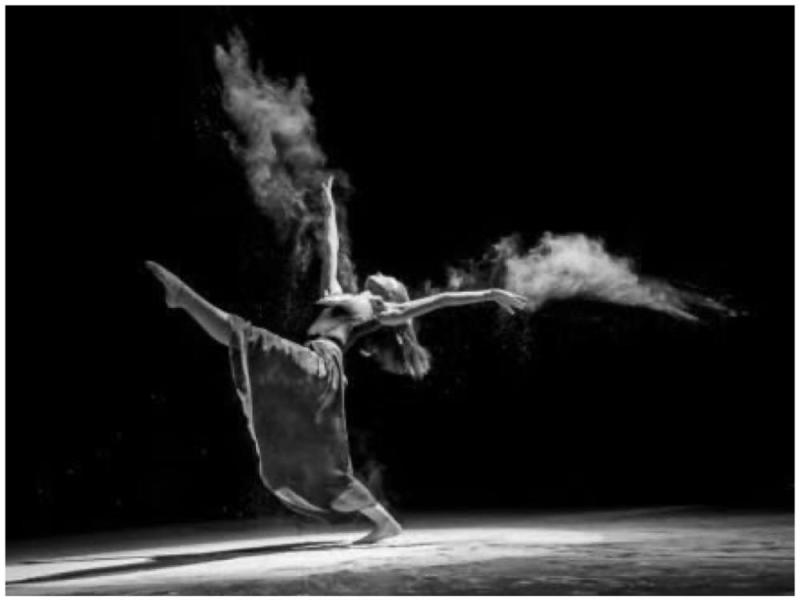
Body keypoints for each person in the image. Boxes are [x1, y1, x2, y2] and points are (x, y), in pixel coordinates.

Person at [147, 176, 526, 543]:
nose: (381, 272)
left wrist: (489, 293)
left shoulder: (382, 309)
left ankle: (182, 297)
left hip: (323, 366)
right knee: (309, 451)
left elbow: (441, 300)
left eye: (389, 277)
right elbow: (331, 245)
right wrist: (329, 205)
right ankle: (385, 522)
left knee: (248, 337)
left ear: (392, 294)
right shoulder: (336, 291)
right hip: (313, 365)